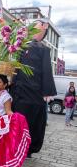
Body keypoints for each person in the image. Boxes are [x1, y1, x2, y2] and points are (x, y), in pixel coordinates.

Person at [10, 19, 57, 158]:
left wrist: (47, 91)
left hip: (34, 93)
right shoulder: (21, 47)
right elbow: (15, 68)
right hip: (19, 91)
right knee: (18, 118)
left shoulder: (44, 49)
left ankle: (29, 147)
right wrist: (11, 83)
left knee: (32, 121)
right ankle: (16, 144)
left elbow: (47, 71)